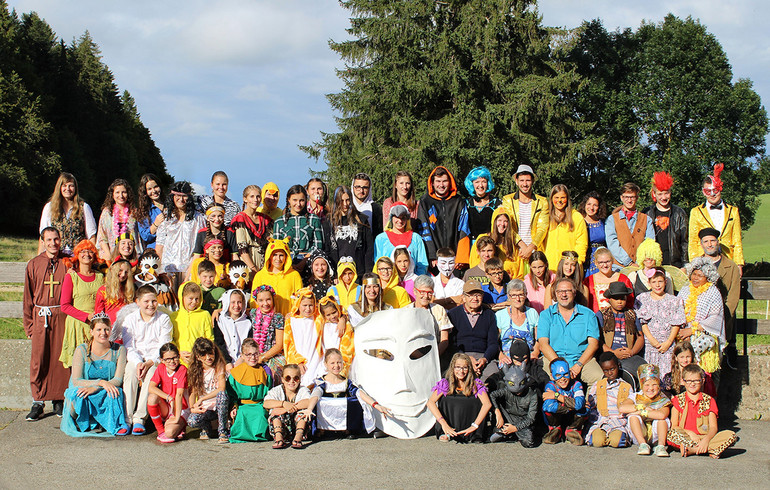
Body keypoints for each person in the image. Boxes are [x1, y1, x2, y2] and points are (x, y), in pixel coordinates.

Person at [60, 314, 129, 437]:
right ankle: (84, 420)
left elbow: (118, 379)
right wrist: (100, 382)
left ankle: (107, 422)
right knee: (80, 395)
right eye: (99, 329)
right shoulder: (82, 350)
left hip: (106, 390)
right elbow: (76, 380)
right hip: (85, 387)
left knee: (115, 393)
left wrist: (98, 388)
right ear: (91, 331)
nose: (103, 333)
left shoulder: (119, 350)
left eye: (106, 329)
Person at [121, 285, 173, 435]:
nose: (151, 305)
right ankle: (127, 417)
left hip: (155, 360)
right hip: (135, 358)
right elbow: (129, 345)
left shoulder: (163, 318)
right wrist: (138, 363)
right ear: (138, 302)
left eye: (154, 301)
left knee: (151, 375)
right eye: (146, 301)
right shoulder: (130, 319)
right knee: (130, 373)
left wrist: (149, 362)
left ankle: (140, 418)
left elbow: (164, 345)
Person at [538, 278, 603, 387]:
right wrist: (560, 366)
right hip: (553, 359)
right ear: (555, 294)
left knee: (598, 377)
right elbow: (543, 344)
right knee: (543, 378)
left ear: (574, 292)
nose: (563, 295)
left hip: (581, 360)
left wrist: (578, 365)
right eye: (560, 291)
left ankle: (588, 404)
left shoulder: (588, 314)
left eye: (567, 291)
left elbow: (594, 344)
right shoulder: (546, 315)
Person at [666, 364, 737, 458]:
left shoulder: (709, 400)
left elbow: (713, 428)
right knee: (672, 434)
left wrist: (706, 440)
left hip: (704, 437)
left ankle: (694, 450)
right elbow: (674, 426)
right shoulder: (677, 400)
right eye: (689, 381)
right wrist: (691, 434)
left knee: (731, 435)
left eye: (696, 381)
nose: (692, 384)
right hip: (686, 436)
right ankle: (710, 450)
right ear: (683, 381)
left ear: (702, 381)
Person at [306, 348, 374, 439]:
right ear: (326, 364)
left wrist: (375, 405)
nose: (336, 366)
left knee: (355, 400)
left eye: (339, 362)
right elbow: (315, 395)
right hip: (325, 416)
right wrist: (309, 409)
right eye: (332, 363)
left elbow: (359, 393)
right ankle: (322, 430)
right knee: (319, 402)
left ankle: (349, 429)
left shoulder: (346, 382)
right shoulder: (321, 382)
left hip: (343, 414)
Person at [688, 163, 744, 271]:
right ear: (703, 192)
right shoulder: (696, 212)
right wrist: (695, 264)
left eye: (715, 190)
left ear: (720, 189)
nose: (712, 194)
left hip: (728, 260)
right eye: (708, 191)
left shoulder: (733, 211)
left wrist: (739, 264)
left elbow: (737, 240)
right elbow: (693, 241)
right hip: (705, 263)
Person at [698, 227, 740, 367]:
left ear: (718, 242)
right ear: (701, 244)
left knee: (716, 362)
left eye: (712, 241)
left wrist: (722, 317)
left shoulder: (731, 266)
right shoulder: (696, 264)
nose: (709, 244)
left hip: (722, 317)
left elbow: (733, 295)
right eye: (706, 241)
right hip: (700, 318)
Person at [60, 240, 105, 369]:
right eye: (83, 251)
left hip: (96, 325)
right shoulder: (72, 277)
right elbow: (65, 305)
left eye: (90, 251)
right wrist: (86, 316)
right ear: (77, 255)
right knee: (78, 365)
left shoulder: (100, 277)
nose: (86, 254)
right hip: (77, 325)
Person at [428, 353, 492, 443]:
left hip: (471, 422)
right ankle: (447, 432)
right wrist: (444, 424)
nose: (461, 371)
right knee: (446, 399)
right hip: (448, 423)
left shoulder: (475, 384)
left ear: (469, 369)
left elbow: (487, 404)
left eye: (465, 368)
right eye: (458, 367)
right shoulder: (445, 383)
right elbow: (431, 402)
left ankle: (474, 434)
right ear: (453, 368)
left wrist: (474, 426)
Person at [677, 257, 725, 376]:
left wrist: (692, 330)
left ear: (708, 278)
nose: (696, 278)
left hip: (703, 336)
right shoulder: (685, 289)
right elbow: (676, 309)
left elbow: (715, 317)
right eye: (694, 274)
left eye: (700, 275)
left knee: (701, 374)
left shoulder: (713, 292)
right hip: (683, 335)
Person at [156, 181, 206, 291]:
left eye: (184, 196)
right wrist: (160, 271)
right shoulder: (166, 218)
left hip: (189, 267)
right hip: (168, 268)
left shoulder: (198, 218)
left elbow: (200, 246)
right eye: (177, 196)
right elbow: (159, 246)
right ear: (172, 196)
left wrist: (191, 271)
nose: (181, 200)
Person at [636, 267, 685, 378]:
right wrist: (652, 340)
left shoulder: (674, 300)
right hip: (650, 345)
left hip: (668, 344)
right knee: (650, 376)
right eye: (654, 282)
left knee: (667, 376)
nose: (657, 285)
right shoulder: (643, 298)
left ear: (665, 282)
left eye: (660, 281)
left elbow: (676, 324)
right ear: (649, 283)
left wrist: (668, 342)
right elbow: (643, 322)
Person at [447, 280, 499, 382]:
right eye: (470, 295)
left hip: (483, 355)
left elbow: (493, 343)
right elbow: (451, 344)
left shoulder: (489, 315)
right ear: (463, 297)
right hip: (460, 355)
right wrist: (466, 358)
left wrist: (484, 359)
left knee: (494, 377)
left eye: (478, 295)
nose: (474, 298)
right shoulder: (453, 314)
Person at [417, 166, 469, 267]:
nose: (441, 185)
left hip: (454, 259)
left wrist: (461, 257)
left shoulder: (458, 202)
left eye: (444, 181)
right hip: (435, 260)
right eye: (438, 181)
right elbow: (424, 230)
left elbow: (464, 229)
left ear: (450, 182)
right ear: (432, 183)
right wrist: (431, 256)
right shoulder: (425, 202)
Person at [596, 281, 646, 383]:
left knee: (645, 370)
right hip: (608, 355)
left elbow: (640, 337)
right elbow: (598, 340)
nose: (619, 301)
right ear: (609, 299)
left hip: (628, 354)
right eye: (616, 298)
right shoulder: (602, 315)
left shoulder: (631, 315)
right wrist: (613, 352)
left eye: (622, 298)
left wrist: (632, 352)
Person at [38, 172, 97, 256]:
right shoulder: (49, 207)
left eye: (71, 186)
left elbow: (91, 236)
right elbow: (43, 236)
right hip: (57, 254)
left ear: (75, 188)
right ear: (59, 188)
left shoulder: (84, 207)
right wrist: (40, 259)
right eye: (64, 186)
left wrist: (92, 257)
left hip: (79, 255)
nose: (68, 189)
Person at [500, 164, 550, 263]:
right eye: (522, 180)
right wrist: (522, 245)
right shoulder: (508, 200)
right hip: (515, 250)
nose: (525, 184)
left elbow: (543, 227)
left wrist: (531, 247)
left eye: (528, 180)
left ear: (532, 181)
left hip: (535, 252)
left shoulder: (542, 201)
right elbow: (508, 225)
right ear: (516, 181)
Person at [620, 364, 672, 457]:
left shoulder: (663, 398)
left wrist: (642, 412)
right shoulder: (636, 396)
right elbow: (622, 408)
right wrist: (641, 407)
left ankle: (661, 445)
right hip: (642, 431)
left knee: (662, 420)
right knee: (633, 416)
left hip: (656, 433)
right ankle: (642, 444)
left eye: (654, 385)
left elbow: (662, 415)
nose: (650, 388)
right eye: (647, 385)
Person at [226, 338, 272, 443]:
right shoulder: (235, 373)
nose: (252, 357)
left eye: (255, 354)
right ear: (242, 356)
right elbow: (231, 393)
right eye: (248, 354)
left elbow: (268, 391)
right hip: (243, 405)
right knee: (242, 413)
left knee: (260, 414)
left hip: (259, 405)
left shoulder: (265, 372)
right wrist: (233, 406)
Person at [324, 185, 374, 275]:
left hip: (359, 272)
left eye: (347, 200)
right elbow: (327, 250)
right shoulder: (329, 222)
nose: (345, 204)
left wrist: (368, 273)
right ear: (336, 201)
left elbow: (369, 249)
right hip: (338, 274)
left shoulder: (361, 220)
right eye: (341, 201)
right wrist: (333, 274)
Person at [585, 352, 632, 448]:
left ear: (618, 366)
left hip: (618, 422)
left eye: (612, 369)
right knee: (597, 442)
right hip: (601, 421)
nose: (609, 373)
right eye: (606, 370)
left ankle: (613, 437)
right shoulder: (598, 385)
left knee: (616, 442)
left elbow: (630, 405)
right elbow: (591, 403)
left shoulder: (626, 386)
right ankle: (603, 436)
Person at [186, 338, 229, 443]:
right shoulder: (196, 371)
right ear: (198, 357)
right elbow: (193, 392)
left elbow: (221, 388)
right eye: (204, 355)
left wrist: (202, 399)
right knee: (192, 421)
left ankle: (222, 431)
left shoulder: (219, 367)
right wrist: (193, 407)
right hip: (206, 407)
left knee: (222, 396)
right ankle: (207, 428)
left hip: (219, 405)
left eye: (210, 353)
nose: (208, 358)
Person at [273, 184, 324, 270]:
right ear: (289, 200)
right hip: (285, 264)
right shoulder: (279, 222)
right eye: (295, 200)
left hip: (309, 263)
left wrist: (304, 262)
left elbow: (318, 246)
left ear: (306, 200)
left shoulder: (314, 219)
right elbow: (277, 248)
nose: (298, 204)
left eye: (301, 200)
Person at [643, 171, 689, 268]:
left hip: (674, 263)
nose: (663, 197)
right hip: (652, 263)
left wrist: (685, 264)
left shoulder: (679, 213)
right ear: (654, 194)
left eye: (666, 193)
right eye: (660, 194)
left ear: (670, 193)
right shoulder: (647, 213)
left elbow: (684, 241)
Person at [605, 182, 654, 268]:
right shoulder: (612, 219)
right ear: (621, 198)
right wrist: (629, 262)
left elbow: (649, 243)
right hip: (618, 267)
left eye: (632, 197)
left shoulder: (647, 219)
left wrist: (639, 262)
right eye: (626, 197)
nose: (629, 200)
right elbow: (612, 243)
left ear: (637, 198)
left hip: (641, 266)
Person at [147, 342, 189, 443]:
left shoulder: (182, 370)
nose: (172, 362)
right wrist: (168, 397)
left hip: (181, 408)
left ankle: (179, 426)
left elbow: (179, 395)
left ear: (179, 356)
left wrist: (177, 418)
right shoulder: (161, 368)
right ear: (162, 360)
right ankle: (160, 431)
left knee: (170, 433)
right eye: (167, 359)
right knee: (152, 398)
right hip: (168, 405)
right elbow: (151, 387)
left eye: (175, 358)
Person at [263, 364, 312, 449]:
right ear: (282, 379)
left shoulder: (303, 390)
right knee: (275, 414)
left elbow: (309, 402)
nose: (292, 381)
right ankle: (279, 439)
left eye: (296, 378)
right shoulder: (276, 390)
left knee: (303, 412)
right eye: (288, 378)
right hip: (282, 427)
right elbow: (266, 403)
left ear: (300, 379)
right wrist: (283, 404)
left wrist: (289, 408)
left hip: (300, 427)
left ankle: (298, 438)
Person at [488, 362, 538, 446]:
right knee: (497, 427)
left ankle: (510, 433)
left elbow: (531, 418)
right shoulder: (506, 390)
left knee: (529, 441)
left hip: (522, 420)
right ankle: (506, 433)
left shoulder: (532, 395)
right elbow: (492, 395)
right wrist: (497, 411)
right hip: (508, 416)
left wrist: (515, 428)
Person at [251, 238, 303, 316]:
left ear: (286, 256)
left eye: (281, 255)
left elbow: (300, 298)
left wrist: (294, 314)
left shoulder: (294, 275)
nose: (278, 259)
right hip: (266, 322)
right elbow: (254, 301)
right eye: (274, 255)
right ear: (269, 255)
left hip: (288, 320)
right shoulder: (260, 276)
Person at [542, 357, 588, 445]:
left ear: (570, 373)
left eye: (565, 374)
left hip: (572, 418)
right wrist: (570, 407)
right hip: (557, 418)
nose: (563, 379)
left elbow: (579, 404)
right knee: (547, 409)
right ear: (552, 376)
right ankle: (555, 430)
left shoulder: (576, 384)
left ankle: (573, 430)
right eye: (558, 375)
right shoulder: (551, 386)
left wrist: (557, 396)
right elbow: (548, 406)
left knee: (585, 408)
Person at [374, 201, 428, 275]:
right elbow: (378, 263)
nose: (400, 221)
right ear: (391, 218)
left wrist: (417, 280)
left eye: (403, 218)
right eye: (396, 217)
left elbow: (422, 263)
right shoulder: (381, 239)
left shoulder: (416, 238)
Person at [468, 208, 523, 280]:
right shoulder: (482, 238)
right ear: (494, 221)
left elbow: (519, 268)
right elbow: (474, 262)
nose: (502, 224)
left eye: (505, 221)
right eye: (499, 220)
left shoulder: (511, 244)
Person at [543, 184, 588, 271]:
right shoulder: (546, 216)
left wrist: (577, 262)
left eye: (563, 197)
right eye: (556, 197)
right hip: (550, 268)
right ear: (552, 199)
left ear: (567, 199)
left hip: (570, 268)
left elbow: (582, 242)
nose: (559, 201)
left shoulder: (576, 216)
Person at [284, 288, 323, 387]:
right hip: (299, 363)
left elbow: (335, 310)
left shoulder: (319, 319)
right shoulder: (291, 321)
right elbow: (289, 345)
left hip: (316, 361)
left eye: (311, 305)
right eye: (304, 305)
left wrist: (343, 319)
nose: (308, 308)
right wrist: (298, 362)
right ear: (298, 304)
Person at [230, 184, 271, 273]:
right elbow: (242, 248)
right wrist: (253, 268)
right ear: (245, 199)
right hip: (248, 265)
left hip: (265, 265)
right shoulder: (240, 219)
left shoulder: (266, 219)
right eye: (251, 196)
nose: (255, 200)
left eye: (258, 196)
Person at [248, 285, 287, 380]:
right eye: (261, 300)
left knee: (274, 374)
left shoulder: (278, 317)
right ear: (256, 302)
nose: (265, 303)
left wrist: (263, 357)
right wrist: (217, 311)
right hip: (254, 354)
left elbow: (279, 345)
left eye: (268, 299)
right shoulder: (253, 313)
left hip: (272, 356)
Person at [171, 282, 214, 367]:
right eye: (190, 298)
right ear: (182, 298)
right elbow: (170, 339)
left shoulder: (205, 315)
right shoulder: (174, 316)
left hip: (199, 361)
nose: (194, 302)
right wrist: (178, 353)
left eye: (197, 299)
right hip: (179, 362)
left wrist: (201, 354)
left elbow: (209, 338)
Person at [495, 280, 540, 359]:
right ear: (508, 296)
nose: (518, 299)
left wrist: (535, 352)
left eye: (521, 295)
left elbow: (539, 338)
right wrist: (500, 355)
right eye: (514, 295)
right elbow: (494, 341)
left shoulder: (532, 313)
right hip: (507, 359)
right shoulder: (500, 315)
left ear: (526, 295)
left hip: (528, 357)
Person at [460, 166, 502, 250]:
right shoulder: (465, 204)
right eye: (477, 182)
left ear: (488, 183)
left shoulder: (497, 204)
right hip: (470, 247)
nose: (480, 185)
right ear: (472, 184)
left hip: (490, 247)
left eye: (483, 182)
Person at [96, 179, 138, 261]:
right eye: (117, 192)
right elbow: (102, 238)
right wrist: (109, 256)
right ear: (112, 195)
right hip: (112, 256)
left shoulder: (134, 213)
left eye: (124, 192)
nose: (121, 195)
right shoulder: (107, 213)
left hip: (131, 256)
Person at [213, 289, 253, 372]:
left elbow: (249, 343)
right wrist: (227, 362)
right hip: (224, 363)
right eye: (233, 302)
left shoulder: (248, 322)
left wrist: (242, 359)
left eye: (239, 302)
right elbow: (219, 343)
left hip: (243, 362)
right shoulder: (220, 320)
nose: (236, 305)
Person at [584, 247, 633, 312]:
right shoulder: (588, 281)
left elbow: (630, 301)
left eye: (607, 261)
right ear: (596, 263)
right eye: (601, 262)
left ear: (612, 261)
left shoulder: (623, 279)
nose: (605, 265)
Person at [316, 297, 355, 374]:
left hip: (339, 364)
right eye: (328, 315)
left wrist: (343, 318)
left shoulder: (346, 326)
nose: (332, 316)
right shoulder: (322, 324)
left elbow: (347, 349)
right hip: (324, 364)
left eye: (334, 312)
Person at [94, 258, 135, 324]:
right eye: (120, 270)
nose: (123, 274)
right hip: (110, 328)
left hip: (126, 327)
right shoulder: (103, 290)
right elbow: (99, 314)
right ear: (114, 270)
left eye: (126, 272)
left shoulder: (129, 290)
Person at [578, 191, 608, 276]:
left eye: (595, 205)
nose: (591, 208)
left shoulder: (603, 223)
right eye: (589, 204)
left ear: (599, 207)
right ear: (584, 205)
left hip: (601, 261)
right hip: (584, 261)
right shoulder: (579, 222)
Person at [135, 173, 166, 250]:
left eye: (156, 187)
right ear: (145, 192)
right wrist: (156, 224)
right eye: (149, 189)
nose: (154, 191)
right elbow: (145, 236)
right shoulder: (144, 211)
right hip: (154, 250)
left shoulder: (171, 205)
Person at [350, 172, 384, 238]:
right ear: (353, 187)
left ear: (369, 189)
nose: (361, 191)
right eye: (358, 187)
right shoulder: (347, 206)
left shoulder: (376, 208)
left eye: (365, 187)